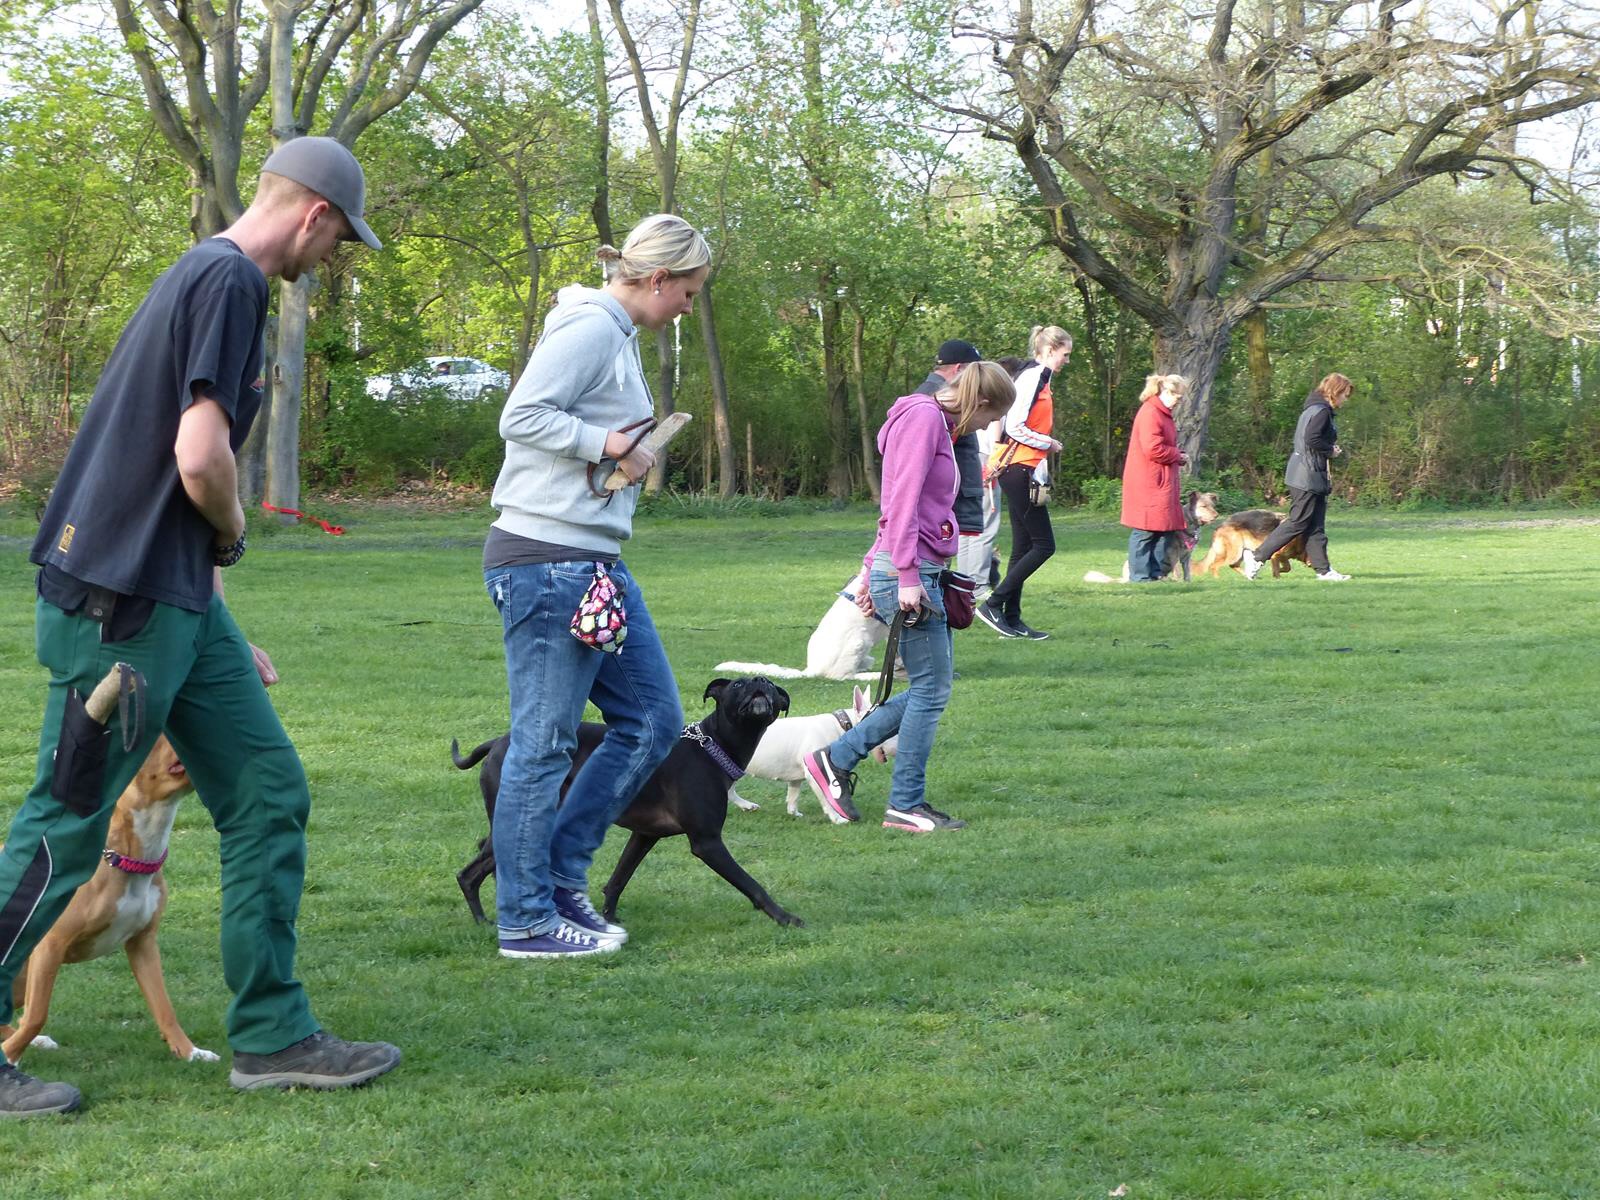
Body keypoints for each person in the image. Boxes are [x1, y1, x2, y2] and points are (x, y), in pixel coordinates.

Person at [0, 138, 399, 1118]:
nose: (332, 259)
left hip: (174, 604)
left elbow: (158, 477)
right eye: (339, 240)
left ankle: (272, 1033)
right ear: (313, 215)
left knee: (267, 788)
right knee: (64, 826)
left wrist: (217, 614)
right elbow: (198, 460)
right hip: (120, 612)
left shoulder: (203, 277)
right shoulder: (230, 283)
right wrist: (233, 530)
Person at [483, 214, 707, 960]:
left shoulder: (618, 335)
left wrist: (626, 453)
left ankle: (558, 882)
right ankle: (526, 921)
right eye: (688, 291)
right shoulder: (588, 327)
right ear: (656, 279)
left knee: (652, 720)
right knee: (544, 744)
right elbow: (521, 416)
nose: (688, 306)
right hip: (548, 559)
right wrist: (609, 443)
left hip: (592, 561)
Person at [802, 362, 1017, 833]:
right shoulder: (923, 419)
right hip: (912, 570)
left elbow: (900, 508)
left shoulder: (932, 420)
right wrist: (902, 575)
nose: (986, 427)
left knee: (931, 687)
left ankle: (837, 760)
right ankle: (903, 803)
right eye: (990, 418)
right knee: (930, 690)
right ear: (980, 402)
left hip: (917, 566)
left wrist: (869, 573)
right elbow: (899, 503)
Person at [976, 325, 1070, 640]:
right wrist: (1047, 442)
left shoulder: (1040, 378)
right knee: (1044, 545)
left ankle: (1012, 618)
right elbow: (1014, 426)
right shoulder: (1033, 377)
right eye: (1065, 354)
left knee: (1023, 547)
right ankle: (993, 604)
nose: (1067, 360)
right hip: (1019, 469)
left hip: (1026, 469)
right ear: (1050, 350)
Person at [1243, 372, 1353, 582]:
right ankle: (1257, 557)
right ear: (1335, 392)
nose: (1345, 400)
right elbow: (1312, 439)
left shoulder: (1314, 409)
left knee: (1316, 525)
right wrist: (1330, 450)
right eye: (1345, 395)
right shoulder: (1321, 412)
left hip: (1309, 473)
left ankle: (1324, 571)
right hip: (1306, 475)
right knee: (1298, 522)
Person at [913, 340, 992, 592]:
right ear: (959, 369)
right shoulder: (934, 401)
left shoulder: (940, 396)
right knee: (933, 566)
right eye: (974, 371)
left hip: (945, 500)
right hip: (939, 504)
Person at [1120, 374, 1191, 582]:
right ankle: (1140, 577)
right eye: (1178, 397)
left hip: (1161, 481)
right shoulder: (1151, 413)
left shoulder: (1161, 413)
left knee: (1163, 529)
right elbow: (1153, 449)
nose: (1179, 402)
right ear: (1166, 391)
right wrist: (1177, 455)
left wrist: (1177, 455)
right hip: (1149, 481)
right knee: (1145, 531)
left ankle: (1156, 574)